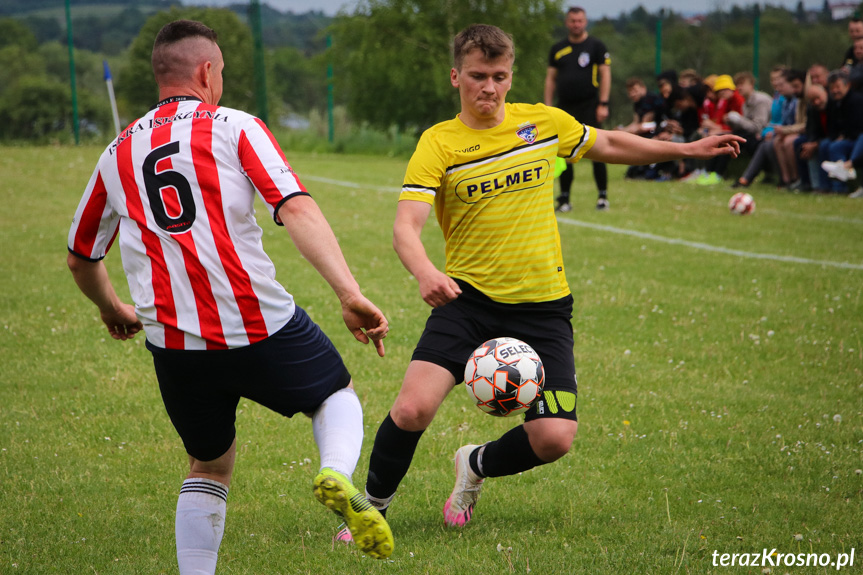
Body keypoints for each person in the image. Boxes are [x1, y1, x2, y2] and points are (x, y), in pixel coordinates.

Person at [335, 23, 743, 544]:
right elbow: (405, 227)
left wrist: (686, 150)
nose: (489, 87)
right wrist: (426, 272)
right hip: (469, 301)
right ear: (456, 76)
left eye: (499, 76)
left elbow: (610, 142)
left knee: (554, 438)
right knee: (413, 407)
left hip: (545, 308)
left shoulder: (543, 124)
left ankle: (475, 463)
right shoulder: (438, 143)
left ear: (511, 77)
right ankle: (371, 508)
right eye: (478, 76)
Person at [66, 20, 394, 573]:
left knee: (209, 466)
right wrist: (349, 293)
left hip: (173, 342)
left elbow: (80, 256)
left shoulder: (114, 153)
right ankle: (336, 470)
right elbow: (295, 208)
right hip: (258, 322)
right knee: (335, 394)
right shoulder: (235, 126)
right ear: (206, 72)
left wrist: (112, 309)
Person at [545, 6, 611, 212]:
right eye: (573, 21)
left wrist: (603, 103)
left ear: (585, 22)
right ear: (567, 23)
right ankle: (564, 199)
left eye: (580, 21)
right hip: (564, 107)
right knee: (564, 152)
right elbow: (550, 79)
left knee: (599, 150)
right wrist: (547, 107)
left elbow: (605, 74)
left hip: (590, 105)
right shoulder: (557, 48)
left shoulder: (596, 46)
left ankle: (602, 197)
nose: (576, 24)